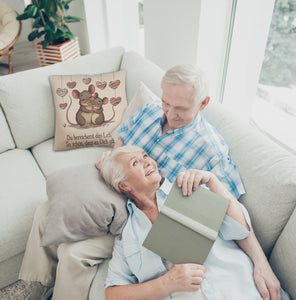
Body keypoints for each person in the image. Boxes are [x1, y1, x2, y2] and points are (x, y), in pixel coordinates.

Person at [19, 64, 280, 299]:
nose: (169, 112)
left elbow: (229, 211)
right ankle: (37, 284)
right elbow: (122, 139)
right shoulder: (151, 110)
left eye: (180, 108)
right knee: (48, 208)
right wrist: (113, 158)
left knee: (74, 253)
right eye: (167, 102)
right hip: (120, 185)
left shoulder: (211, 151)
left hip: (142, 211)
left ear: (203, 104)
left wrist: (261, 263)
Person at [100, 145, 287, 300]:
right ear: (124, 185)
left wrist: (212, 180)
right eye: (135, 163)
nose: (148, 161)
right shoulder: (127, 236)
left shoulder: (189, 188)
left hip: (244, 290)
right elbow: (113, 293)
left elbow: (240, 229)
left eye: (145, 156)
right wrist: (166, 283)